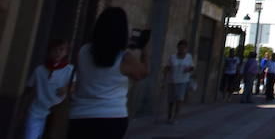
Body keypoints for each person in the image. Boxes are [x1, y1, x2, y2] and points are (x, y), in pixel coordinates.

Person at [68, 7, 149, 138]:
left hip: (80, 115)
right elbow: (143, 73)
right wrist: (144, 50)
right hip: (112, 117)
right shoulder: (125, 58)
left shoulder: (83, 51)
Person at [24, 38, 73, 139]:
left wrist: (66, 88)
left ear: (66, 52)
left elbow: (75, 85)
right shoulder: (39, 70)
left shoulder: (69, 69)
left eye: (61, 50)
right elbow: (28, 89)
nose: (57, 53)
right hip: (36, 111)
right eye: (54, 50)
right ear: (49, 51)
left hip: (56, 112)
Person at [162, 39, 195, 123]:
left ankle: (175, 117)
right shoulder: (172, 57)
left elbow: (192, 67)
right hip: (172, 81)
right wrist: (164, 79)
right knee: (171, 100)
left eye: (183, 48)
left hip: (183, 81)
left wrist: (188, 69)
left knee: (179, 99)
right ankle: (169, 115)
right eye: (180, 47)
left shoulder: (188, 57)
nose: (182, 49)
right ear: (177, 47)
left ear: (186, 48)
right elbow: (167, 67)